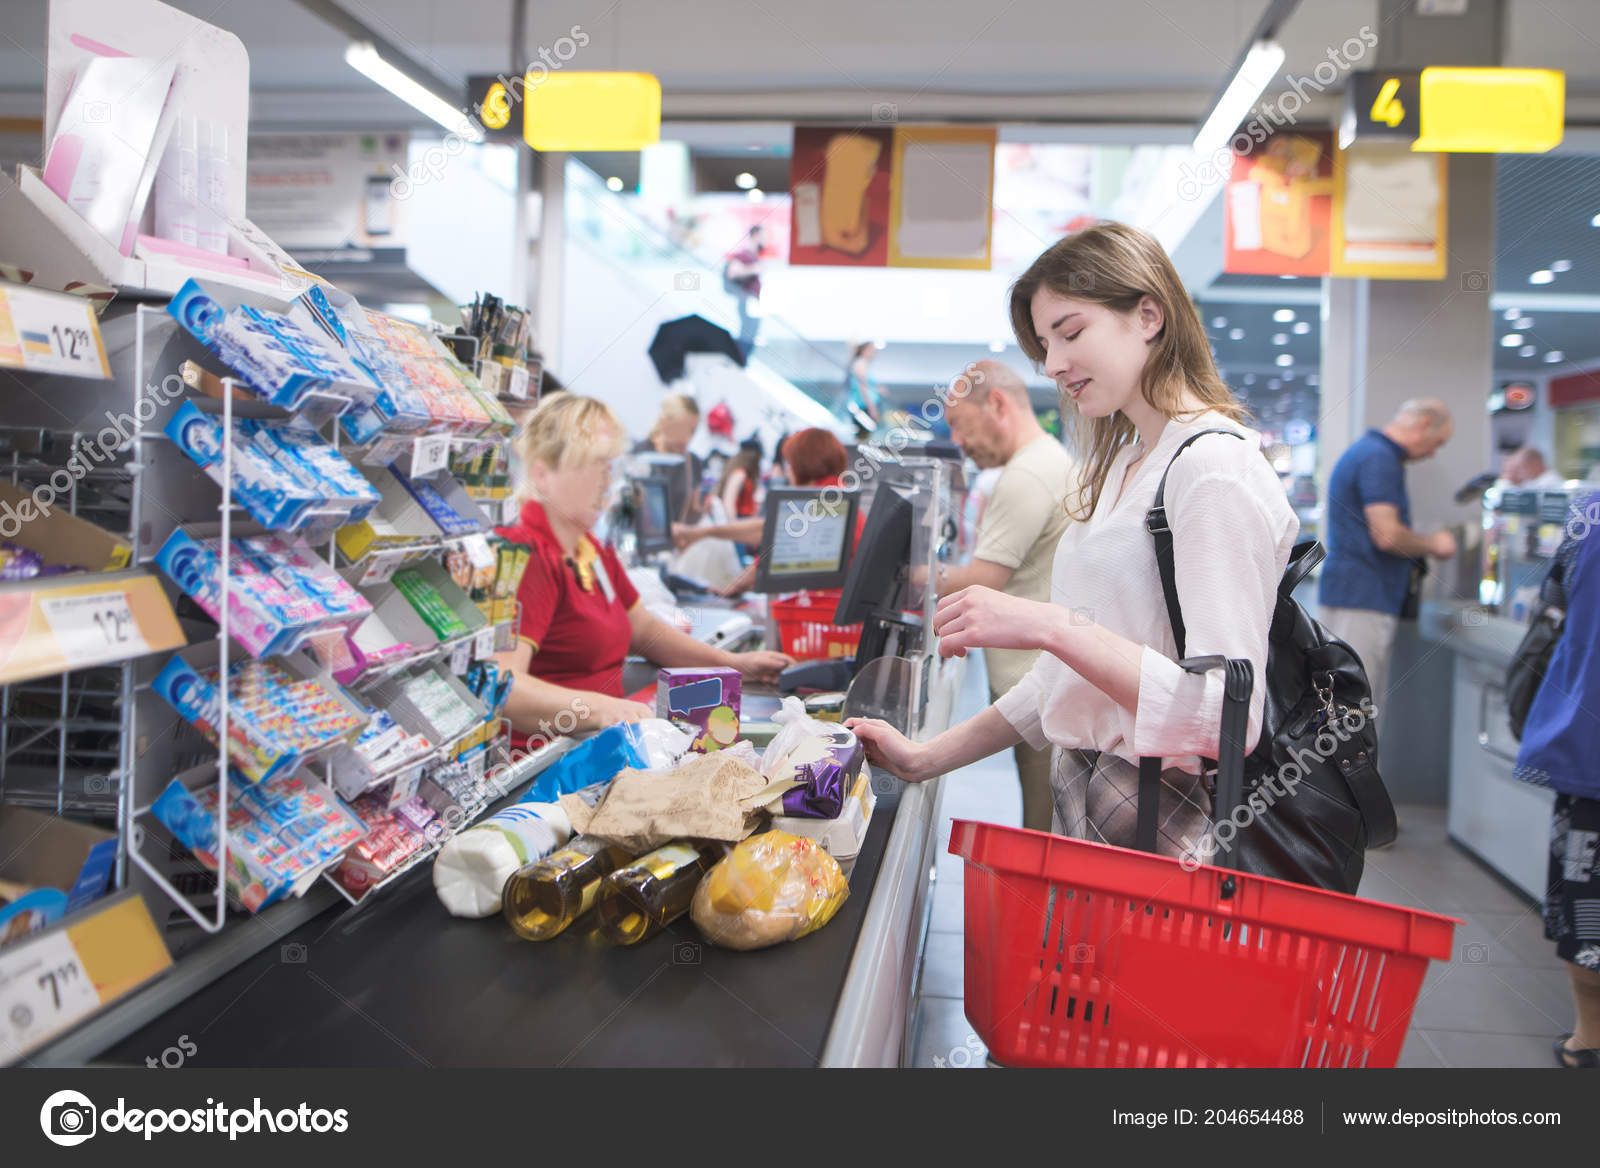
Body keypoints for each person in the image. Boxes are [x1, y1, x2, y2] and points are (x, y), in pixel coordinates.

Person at [847, 221, 1298, 860]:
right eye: (1044, 345)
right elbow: (1061, 684)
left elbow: (1224, 716)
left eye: (1071, 332)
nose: (1054, 365)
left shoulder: (1212, 469)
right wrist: (925, 758)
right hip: (1090, 809)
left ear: (1148, 315)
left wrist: (1055, 625)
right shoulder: (1123, 466)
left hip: (1168, 834)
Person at [496, 394, 792, 754]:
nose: (607, 482)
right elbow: (505, 687)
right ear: (542, 473)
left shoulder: (591, 549)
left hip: (600, 749)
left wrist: (735, 665)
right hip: (550, 767)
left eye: (610, 466)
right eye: (595, 466)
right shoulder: (526, 555)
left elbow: (644, 630)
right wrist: (604, 710)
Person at [929, 359, 1076, 831]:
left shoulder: (1028, 474)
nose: (958, 441)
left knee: (1042, 832)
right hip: (1036, 687)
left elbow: (982, 581)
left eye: (957, 424)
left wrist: (910, 574)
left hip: (1037, 692)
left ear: (996, 403)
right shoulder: (1046, 461)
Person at [1511, 499, 1600, 1067]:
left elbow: (1554, 605)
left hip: (1590, 744)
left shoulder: (1589, 511)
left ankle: (1588, 1039)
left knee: (1587, 901)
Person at [1318, 399, 1457, 710]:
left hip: (1355, 593)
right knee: (1352, 707)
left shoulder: (1371, 453)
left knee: (1347, 700)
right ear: (1423, 425)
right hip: (1363, 597)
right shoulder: (1379, 458)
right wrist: (1435, 543)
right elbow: (1387, 535)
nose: (1434, 452)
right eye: (1438, 443)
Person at [674, 428, 862, 597]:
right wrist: (702, 533)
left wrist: (733, 588)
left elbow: (772, 535)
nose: (788, 473)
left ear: (803, 464)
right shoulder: (837, 493)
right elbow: (768, 527)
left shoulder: (822, 499)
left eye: (790, 465)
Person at [634, 393, 704, 522]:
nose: (686, 438)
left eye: (692, 431)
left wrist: (704, 509)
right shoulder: (639, 455)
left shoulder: (693, 463)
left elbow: (692, 512)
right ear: (663, 422)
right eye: (680, 429)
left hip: (672, 540)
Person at [723, 225, 766, 358]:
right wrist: (753, 269)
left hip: (753, 301)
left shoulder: (754, 256)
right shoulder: (744, 255)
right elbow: (732, 272)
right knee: (747, 333)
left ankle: (742, 359)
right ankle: (739, 359)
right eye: (763, 236)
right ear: (755, 236)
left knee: (752, 333)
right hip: (746, 300)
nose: (765, 240)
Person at [841, 342, 883, 436]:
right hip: (862, 406)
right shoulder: (861, 364)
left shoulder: (863, 364)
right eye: (872, 350)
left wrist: (877, 389)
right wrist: (871, 407)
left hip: (863, 406)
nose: (874, 353)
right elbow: (862, 387)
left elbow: (866, 385)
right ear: (864, 350)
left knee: (864, 435)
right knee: (863, 437)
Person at [718, 439, 763, 521]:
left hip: (744, 518)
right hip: (740, 518)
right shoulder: (740, 474)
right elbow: (728, 502)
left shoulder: (743, 474)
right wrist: (733, 524)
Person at [1500, 445, 1567, 489]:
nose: (1519, 474)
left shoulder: (1551, 482)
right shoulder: (1530, 482)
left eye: (1520, 468)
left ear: (1534, 464)